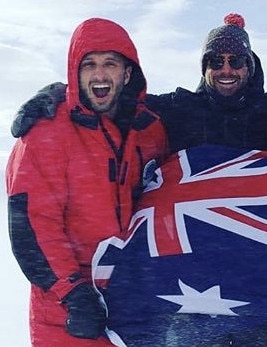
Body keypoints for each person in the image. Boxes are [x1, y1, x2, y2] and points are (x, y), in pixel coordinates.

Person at [6, 18, 169, 346]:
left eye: (110, 63)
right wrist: (74, 293)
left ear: (127, 74)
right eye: (89, 64)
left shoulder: (150, 131)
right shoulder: (45, 133)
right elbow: (32, 226)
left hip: (135, 306)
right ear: (74, 73)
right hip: (67, 315)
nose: (99, 75)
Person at [12, 13, 267, 154]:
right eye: (216, 62)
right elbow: (113, 98)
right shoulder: (180, 109)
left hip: (259, 254)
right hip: (194, 254)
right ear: (204, 68)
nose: (226, 70)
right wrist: (61, 93)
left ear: (250, 66)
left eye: (236, 61)